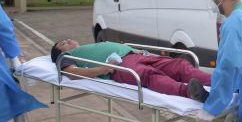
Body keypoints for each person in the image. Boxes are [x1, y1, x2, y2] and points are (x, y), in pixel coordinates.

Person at [50, 39, 210, 101]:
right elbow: (71, 73)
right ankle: (189, 92)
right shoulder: (66, 56)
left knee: (178, 65)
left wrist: (136, 50)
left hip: (136, 55)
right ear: (60, 52)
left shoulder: (88, 46)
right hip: (119, 65)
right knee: (148, 75)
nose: (67, 40)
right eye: (62, 43)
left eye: (66, 39)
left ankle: (215, 82)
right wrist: (101, 69)